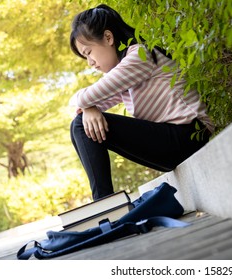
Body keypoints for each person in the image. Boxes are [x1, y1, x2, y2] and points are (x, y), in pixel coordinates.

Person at [69, 4, 214, 200]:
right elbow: (82, 105)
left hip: (191, 135)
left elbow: (84, 98)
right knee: (80, 124)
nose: (90, 63)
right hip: (176, 140)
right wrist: (89, 108)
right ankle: (104, 204)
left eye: (88, 52)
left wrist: (87, 105)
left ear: (108, 38)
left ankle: (104, 204)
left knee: (79, 125)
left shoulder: (139, 56)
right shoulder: (125, 74)